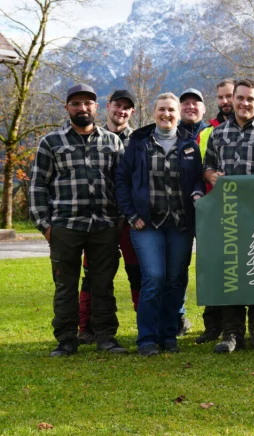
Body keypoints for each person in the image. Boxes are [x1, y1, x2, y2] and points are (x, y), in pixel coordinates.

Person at [29, 84, 127, 356]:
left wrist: (120, 221)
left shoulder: (112, 142)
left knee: (103, 285)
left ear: (96, 107)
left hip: (105, 226)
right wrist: (45, 226)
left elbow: (122, 184)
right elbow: (37, 185)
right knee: (65, 287)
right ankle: (66, 340)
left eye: (87, 103)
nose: (82, 108)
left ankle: (106, 337)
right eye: (76, 104)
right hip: (65, 226)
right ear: (67, 108)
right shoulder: (51, 142)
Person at [115, 92, 205, 356]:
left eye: (171, 110)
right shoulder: (139, 142)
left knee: (175, 280)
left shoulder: (190, 145)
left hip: (180, 224)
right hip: (147, 224)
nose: (167, 114)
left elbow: (197, 178)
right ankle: (147, 339)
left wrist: (197, 192)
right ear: (154, 112)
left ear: (178, 114)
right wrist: (131, 215)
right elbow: (122, 180)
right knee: (154, 278)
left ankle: (168, 336)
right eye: (162, 109)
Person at [204, 79, 254, 353]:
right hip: (228, 216)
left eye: (250, 99)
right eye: (240, 98)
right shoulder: (218, 134)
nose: (244, 103)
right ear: (233, 99)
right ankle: (232, 333)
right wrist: (211, 175)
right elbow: (208, 166)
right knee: (232, 272)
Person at [76, 89, 141, 345]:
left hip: (130, 219)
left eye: (126, 107)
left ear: (132, 111)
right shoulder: (93, 137)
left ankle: (145, 324)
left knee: (137, 272)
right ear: (108, 106)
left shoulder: (140, 140)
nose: (121, 111)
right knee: (93, 274)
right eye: (117, 105)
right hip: (99, 219)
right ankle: (86, 327)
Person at [194, 78, 236, 345]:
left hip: (245, 210)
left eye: (229, 96)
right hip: (213, 211)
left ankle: (249, 327)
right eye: (220, 97)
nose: (225, 101)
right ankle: (212, 326)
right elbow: (199, 170)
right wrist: (208, 177)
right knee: (214, 268)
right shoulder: (207, 132)